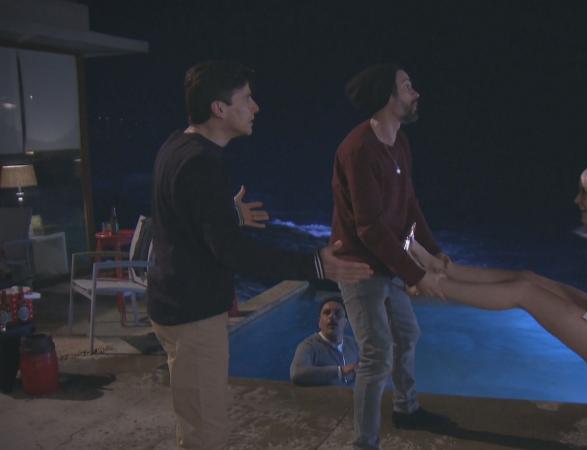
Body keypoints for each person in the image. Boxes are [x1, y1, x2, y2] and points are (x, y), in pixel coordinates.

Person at [147, 60, 373, 450]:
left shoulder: (177, 145)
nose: (256, 107)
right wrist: (313, 264)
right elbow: (233, 252)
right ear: (219, 109)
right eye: (247, 99)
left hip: (172, 304)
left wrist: (227, 214)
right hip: (193, 317)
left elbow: (182, 214)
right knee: (206, 435)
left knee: (195, 421)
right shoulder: (202, 163)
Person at [408, 155, 587, 374]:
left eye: (585, 193)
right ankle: (444, 269)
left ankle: (429, 282)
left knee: (524, 292)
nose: (577, 200)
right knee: (527, 278)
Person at [330, 63, 453, 449]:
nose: (416, 93)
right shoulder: (358, 149)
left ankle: (406, 408)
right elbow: (369, 228)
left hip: (387, 261)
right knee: (376, 354)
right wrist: (418, 275)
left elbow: (409, 204)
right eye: (407, 86)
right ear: (388, 96)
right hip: (358, 266)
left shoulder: (399, 142)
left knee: (407, 334)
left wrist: (433, 250)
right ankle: (364, 442)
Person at [290, 296, 359, 386]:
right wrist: (340, 371)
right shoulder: (308, 346)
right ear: (319, 322)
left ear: (346, 323)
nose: (331, 316)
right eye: (326, 313)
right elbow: (296, 374)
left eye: (337, 313)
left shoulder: (353, 344)